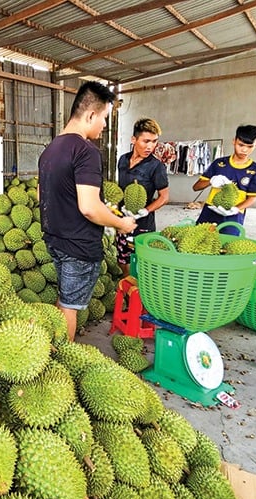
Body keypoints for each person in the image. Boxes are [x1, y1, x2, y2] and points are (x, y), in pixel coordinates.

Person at [38, 81, 137, 341]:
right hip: (78, 245)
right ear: (91, 114)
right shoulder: (86, 151)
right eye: (104, 118)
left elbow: (43, 196)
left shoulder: (49, 150)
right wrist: (121, 224)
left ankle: (53, 350)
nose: (104, 125)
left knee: (65, 299)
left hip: (55, 240)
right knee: (69, 307)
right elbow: (89, 208)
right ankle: (61, 362)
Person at [115, 118, 170, 277]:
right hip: (123, 220)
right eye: (146, 141)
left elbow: (164, 197)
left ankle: (141, 295)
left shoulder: (156, 166)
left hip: (143, 225)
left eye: (154, 142)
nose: (150, 146)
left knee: (140, 263)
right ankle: (129, 293)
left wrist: (145, 211)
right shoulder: (123, 160)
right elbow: (120, 188)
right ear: (134, 140)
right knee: (122, 260)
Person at [192, 124, 256, 235]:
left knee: (227, 247)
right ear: (234, 141)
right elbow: (196, 187)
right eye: (241, 145)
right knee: (198, 241)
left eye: (250, 146)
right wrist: (210, 181)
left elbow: (252, 198)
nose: (244, 150)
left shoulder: (255, 170)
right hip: (210, 209)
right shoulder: (219, 163)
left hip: (234, 215)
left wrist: (235, 209)